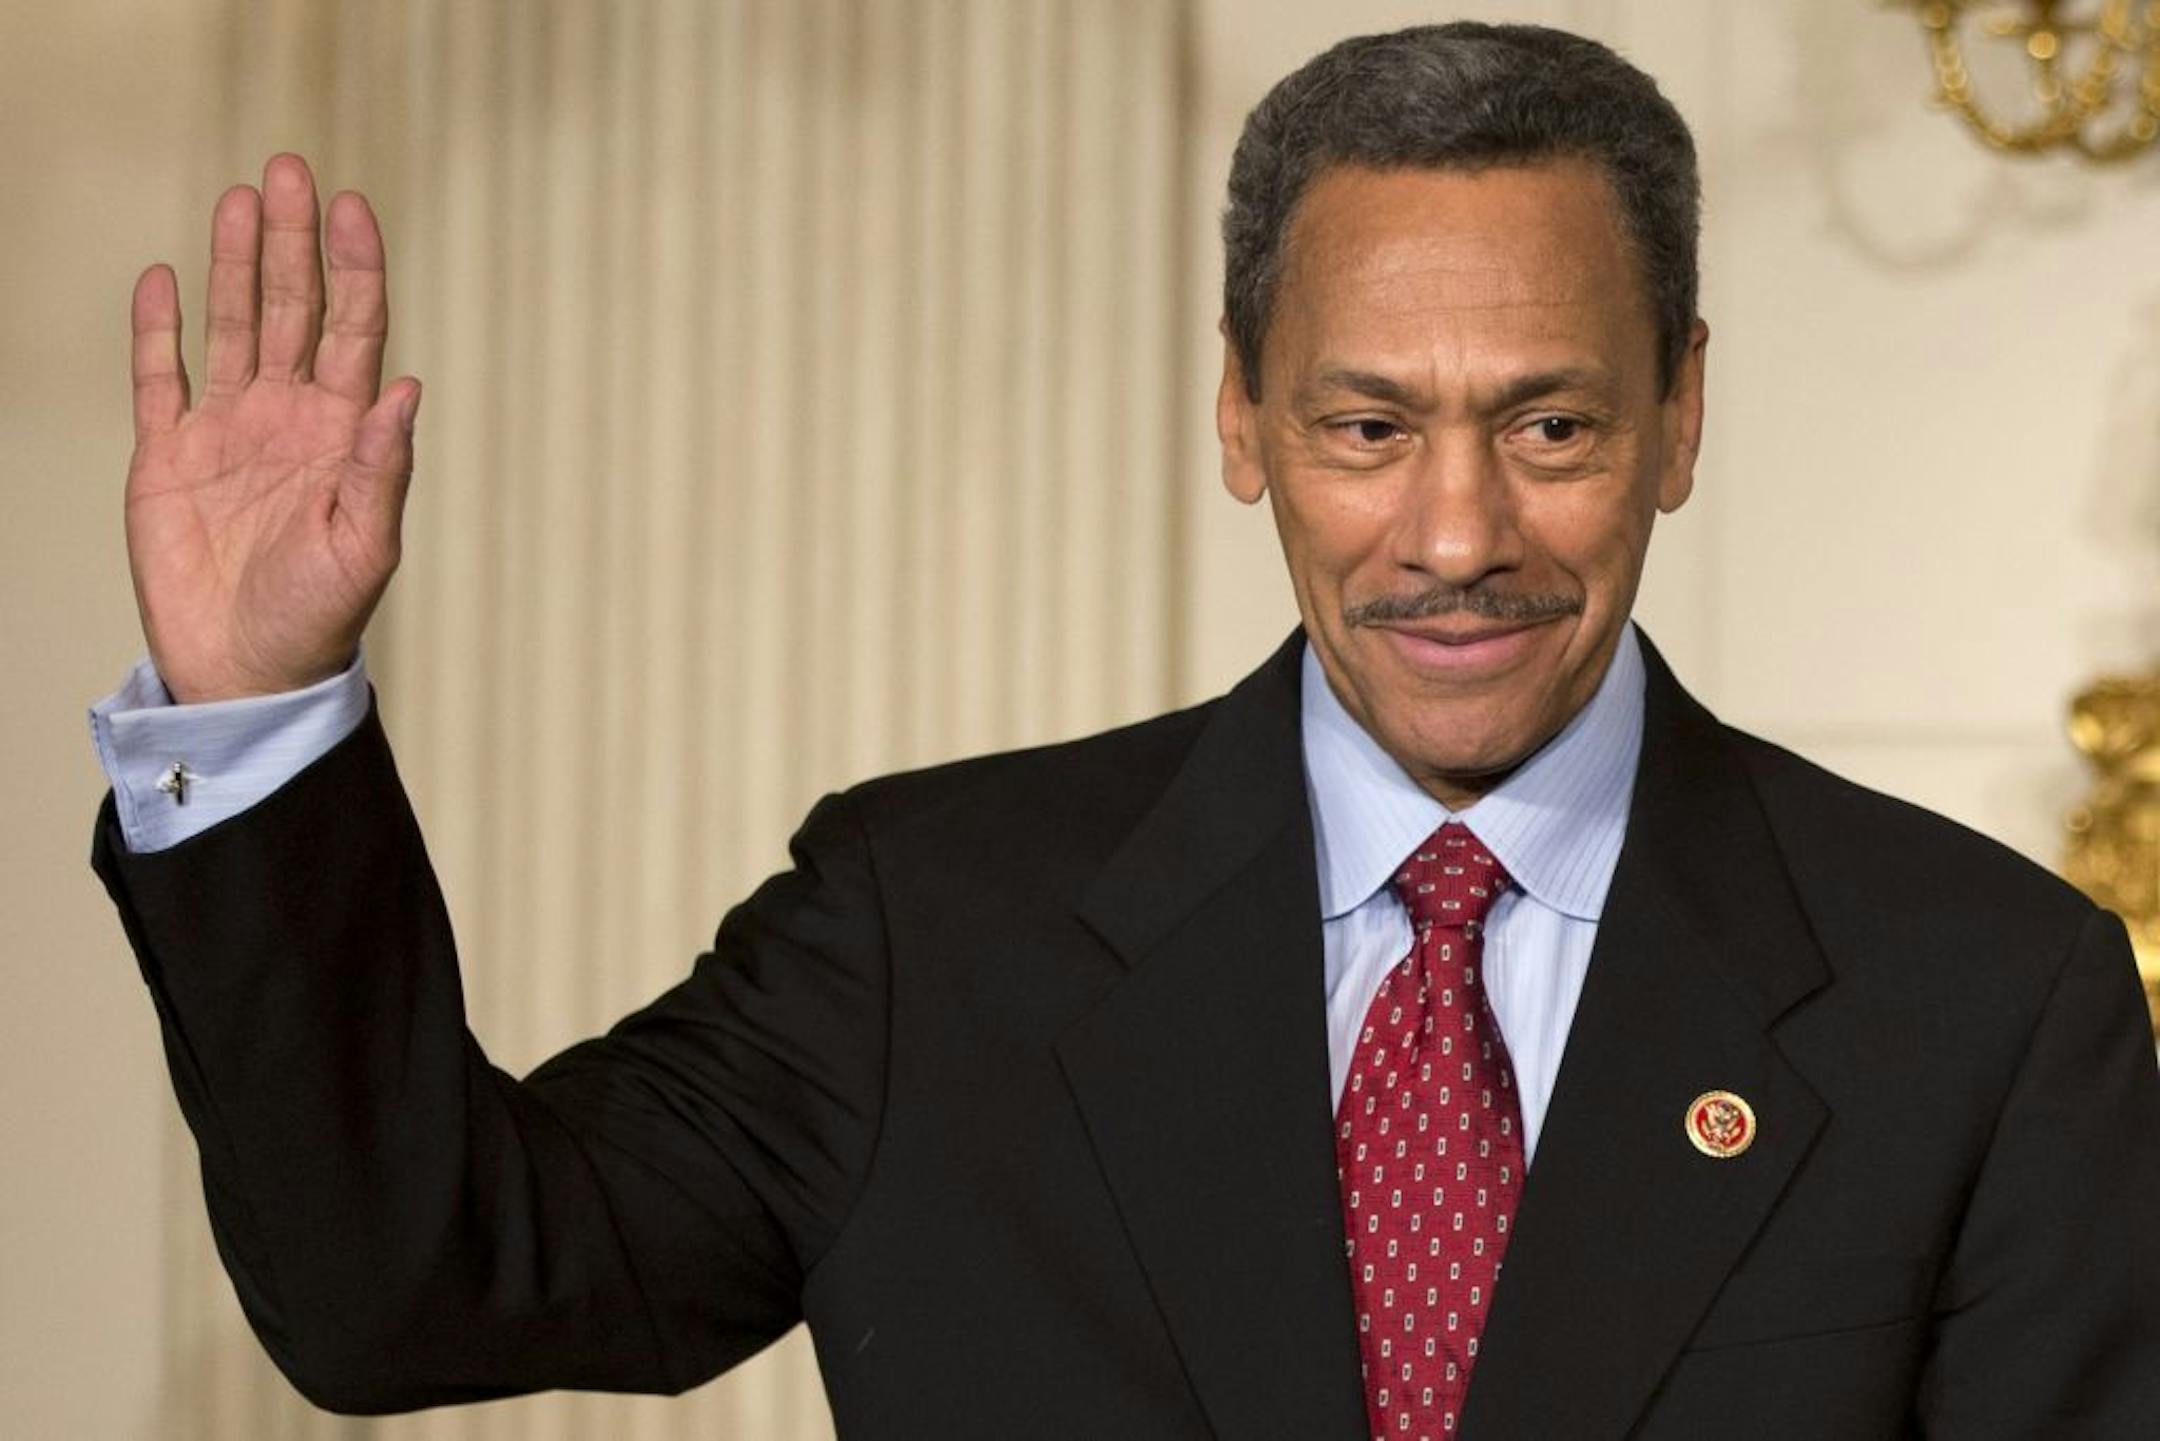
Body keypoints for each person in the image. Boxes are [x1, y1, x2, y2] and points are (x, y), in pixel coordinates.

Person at [89, 21, 2160, 1440]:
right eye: (1366, 427)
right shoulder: (926, 932)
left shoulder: (1981, 1000)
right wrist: (257, 710)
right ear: (1240, 416)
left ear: (1681, 416)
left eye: (1550, 424)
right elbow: (407, 1287)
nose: (1458, 533)